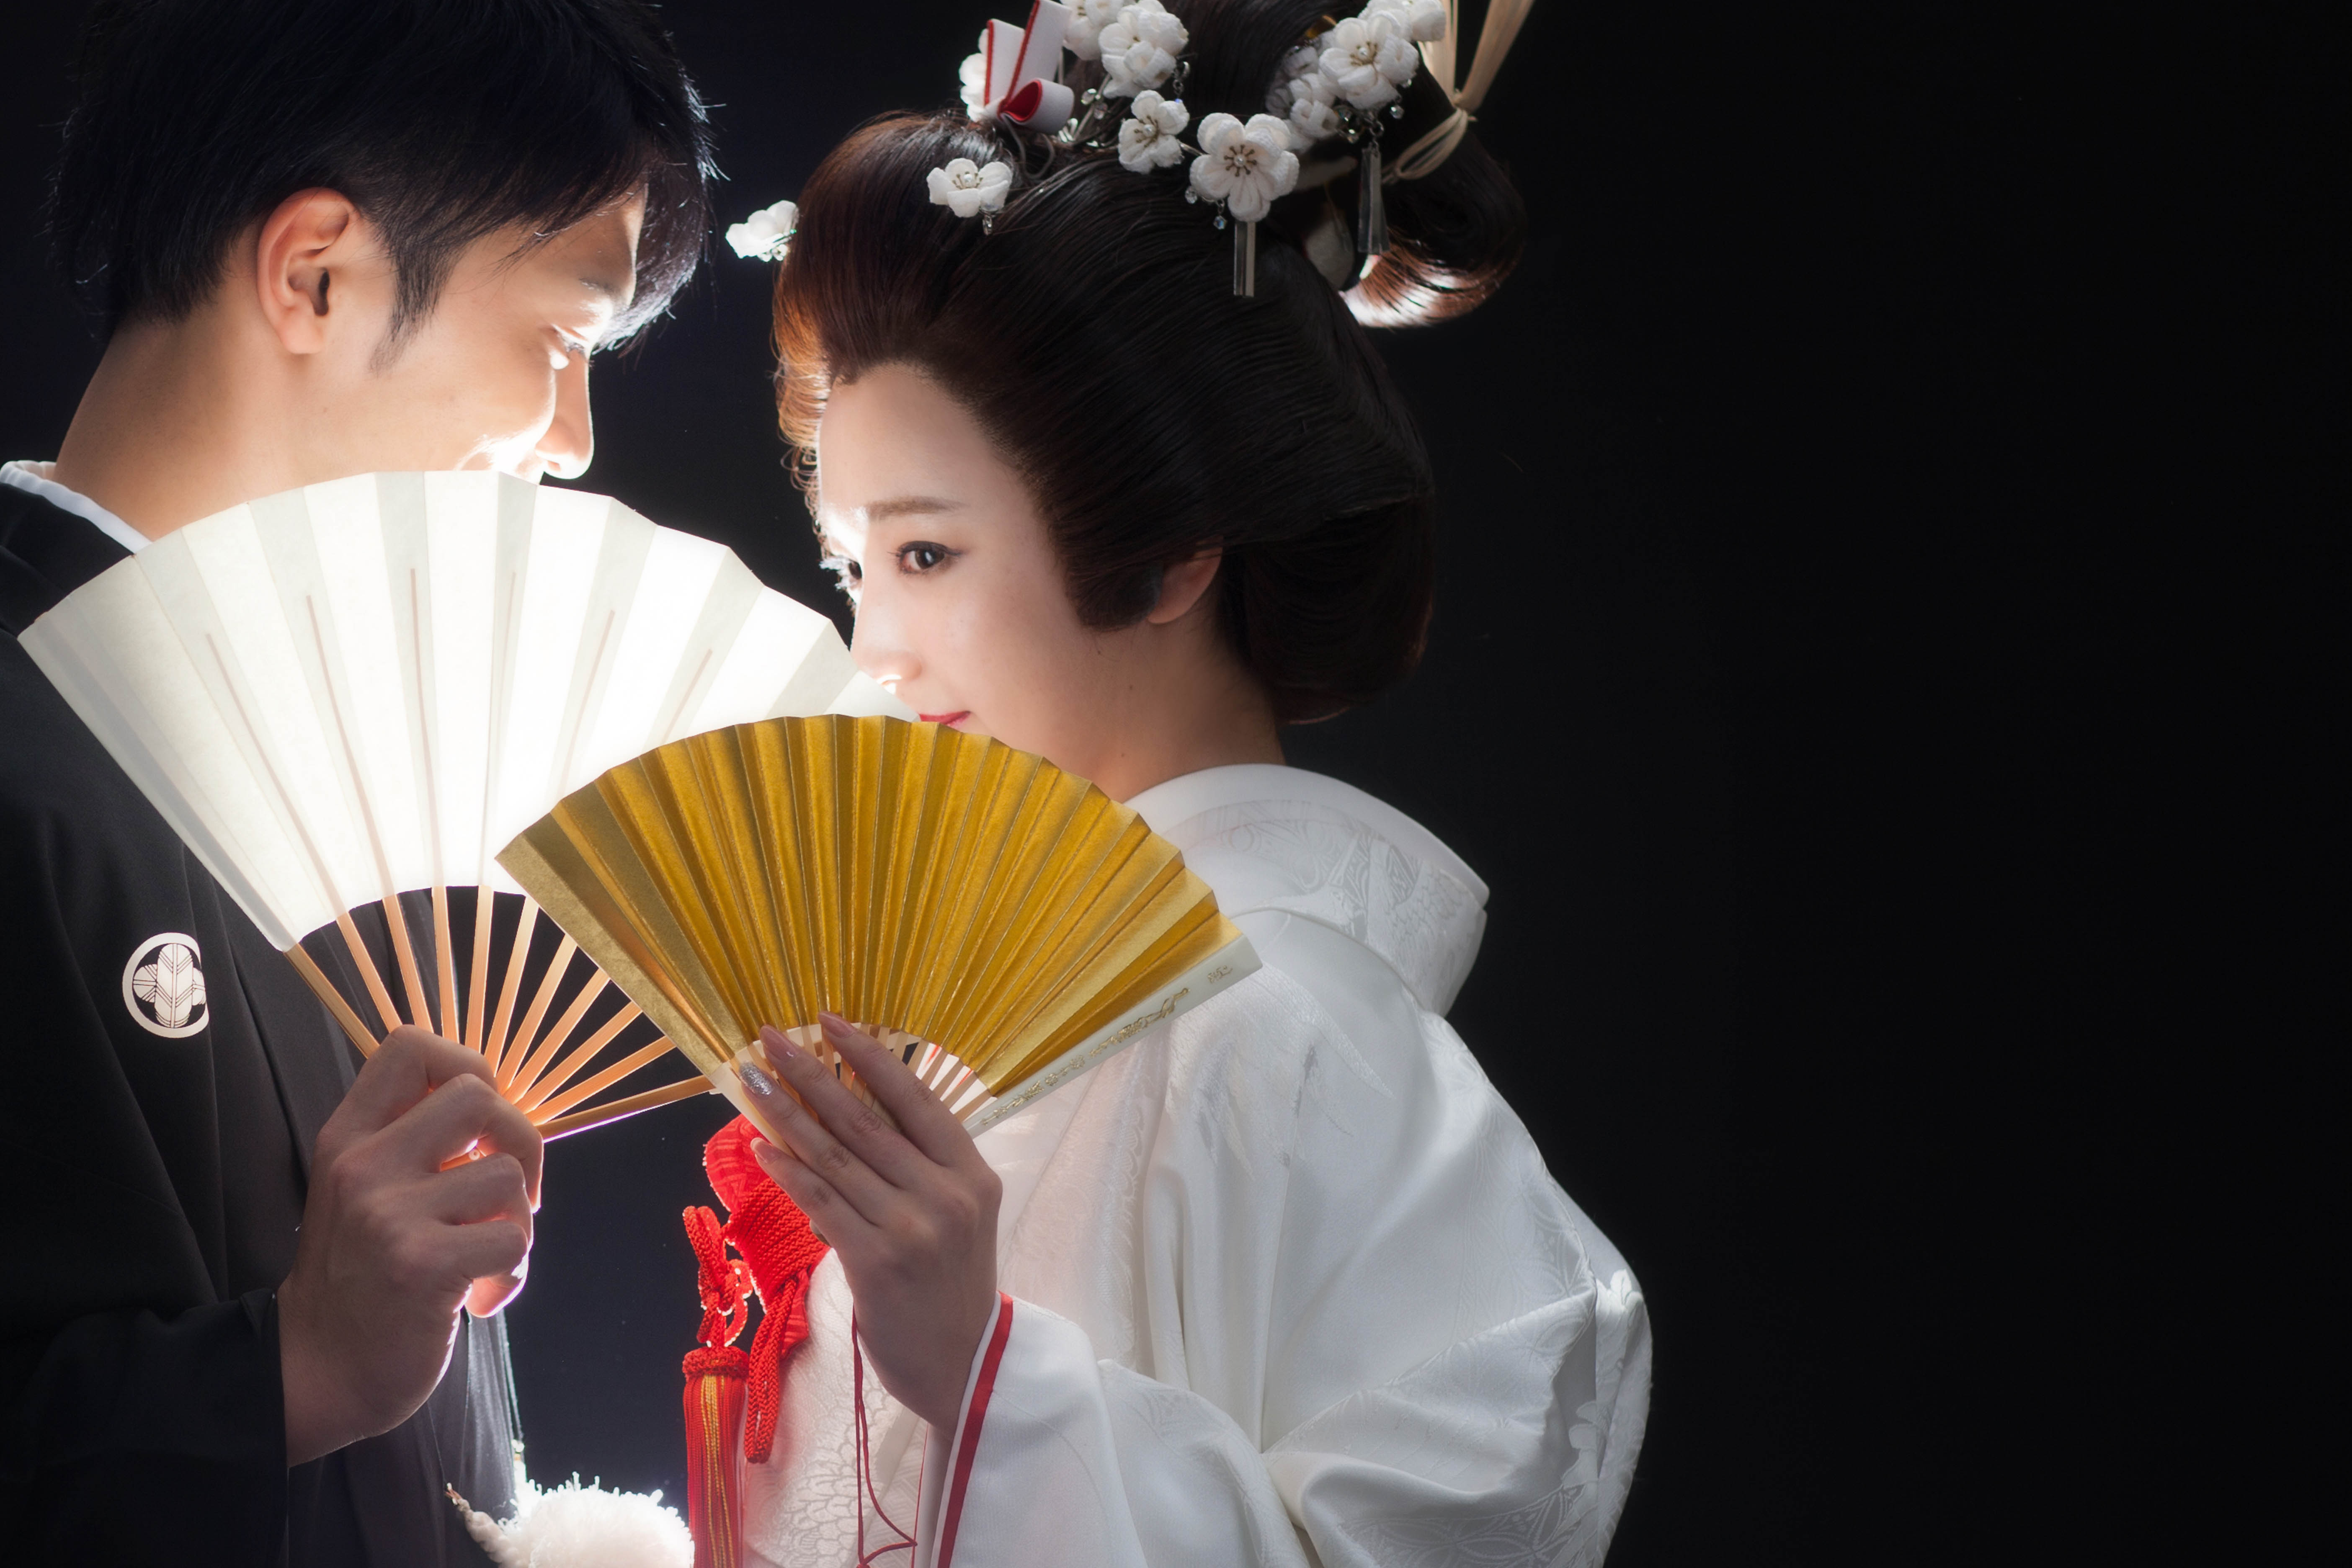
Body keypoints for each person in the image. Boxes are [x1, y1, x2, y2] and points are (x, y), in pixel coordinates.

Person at [700, 2, 1650, 1563]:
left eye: (927, 555)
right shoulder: (991, 1038)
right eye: (853, 570)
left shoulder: (1292, 1031)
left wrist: (984, 1374)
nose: (875, 652)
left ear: (1166, 555)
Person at [0, 1, 713, 1560]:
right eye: (563, 340)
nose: (574, 440)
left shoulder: (348, 736)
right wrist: (296, 1369)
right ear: (316, 274)